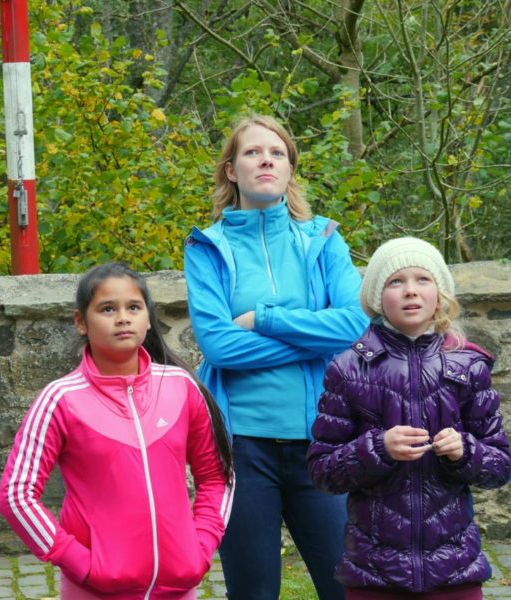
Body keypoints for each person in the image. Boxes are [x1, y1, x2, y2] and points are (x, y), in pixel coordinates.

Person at [183, 114, 369, 600]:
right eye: (252, 152)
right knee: (252, 592)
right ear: (231, 169)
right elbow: (219, 346)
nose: (266, 159)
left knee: (348, 587)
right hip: (242, 448)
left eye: (278, 153)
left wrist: (263, 318)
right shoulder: (207, 248)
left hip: (323, 443)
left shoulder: (324, 239)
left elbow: (354, 324)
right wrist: (313, 331)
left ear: (290, 170)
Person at [0, 262, 234, 599]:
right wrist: (79, 562)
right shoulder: (61, 399)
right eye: (107, 309)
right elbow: (16, 495)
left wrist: (200, 549)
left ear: (148, 318)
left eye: (133, 307)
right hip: (95, 589)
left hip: (179, 586)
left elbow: (217, 475)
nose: (122, 317)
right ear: (81, 322)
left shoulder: (181, 387)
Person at [307, 236, 511, 599]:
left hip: (455, 570)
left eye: (423, 279)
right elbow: (323, 472)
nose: (410, 291)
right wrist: (377, 448)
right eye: (395, 281)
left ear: (440, 293)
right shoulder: (348, 369)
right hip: (374, 572)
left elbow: (499, 467)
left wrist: (465, 450)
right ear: (376, 298)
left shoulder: (468, 365)